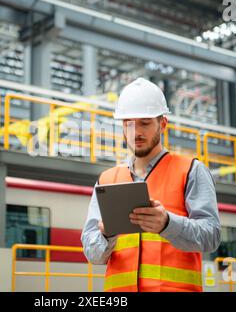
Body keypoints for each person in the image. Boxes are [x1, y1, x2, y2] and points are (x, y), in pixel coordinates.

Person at [81, 77, 221, 292]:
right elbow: (93, 255)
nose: (136, 132)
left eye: (145, 123)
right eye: (128, 124)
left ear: (162, 123)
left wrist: (167, 224)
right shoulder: (107, 180)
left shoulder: (190, 171)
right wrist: (106, 235)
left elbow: (211, 236)